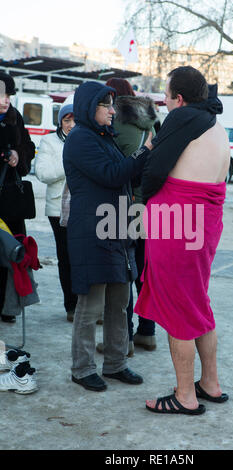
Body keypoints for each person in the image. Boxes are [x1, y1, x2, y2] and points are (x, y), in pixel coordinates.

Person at [134, 66, 230, 415]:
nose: (163, 100)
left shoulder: (184, 118)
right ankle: (210, 384)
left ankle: (185, 395)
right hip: (203, 226)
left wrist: (144, 197)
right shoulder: (215, 124)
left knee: (178, 310)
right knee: (196, 302)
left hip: (178, 227)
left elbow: (155, 170)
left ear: (181, 98)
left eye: (167, 94)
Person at [63, 81, 152, 392]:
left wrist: (143, 164)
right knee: (91, 305)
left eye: (113, 105)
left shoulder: (106, 138)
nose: (113, 111)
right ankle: (82, 368)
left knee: (120, 301)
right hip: (92, 230)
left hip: (117, 227)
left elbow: (126, 175)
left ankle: (115, 363)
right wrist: (145, 151)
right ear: (90, 107)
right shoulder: (80, 139)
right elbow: (112, 175)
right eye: (107, 105)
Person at [95, 77, 157, 357]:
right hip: (152, 203)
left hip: (124, 202)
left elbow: (113, 167)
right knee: (145, 270)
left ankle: (126, 339)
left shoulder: (113, 120)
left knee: (123, 272)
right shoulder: (153, 121)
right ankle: (148, 332)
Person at [34, 101, 78, 322]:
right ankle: (71, 305)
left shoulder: (86, 139)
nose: (70, 124)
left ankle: (86, 305)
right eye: (66, 120)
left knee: (83, 256)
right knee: (66, 257)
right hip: (57, 208)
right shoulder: (49, 141)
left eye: (74, 119)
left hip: (83, 206)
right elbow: (42, 173)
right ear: (60, 121)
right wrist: (69, 162)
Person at [0, 72, 35, 323]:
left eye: (9, 95)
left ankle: (8, 305)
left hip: (10, 199)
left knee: (11, 252)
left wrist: (16, 155)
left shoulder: (16, 118)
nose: (5, 100)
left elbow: (29, 147)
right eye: (1, 95)